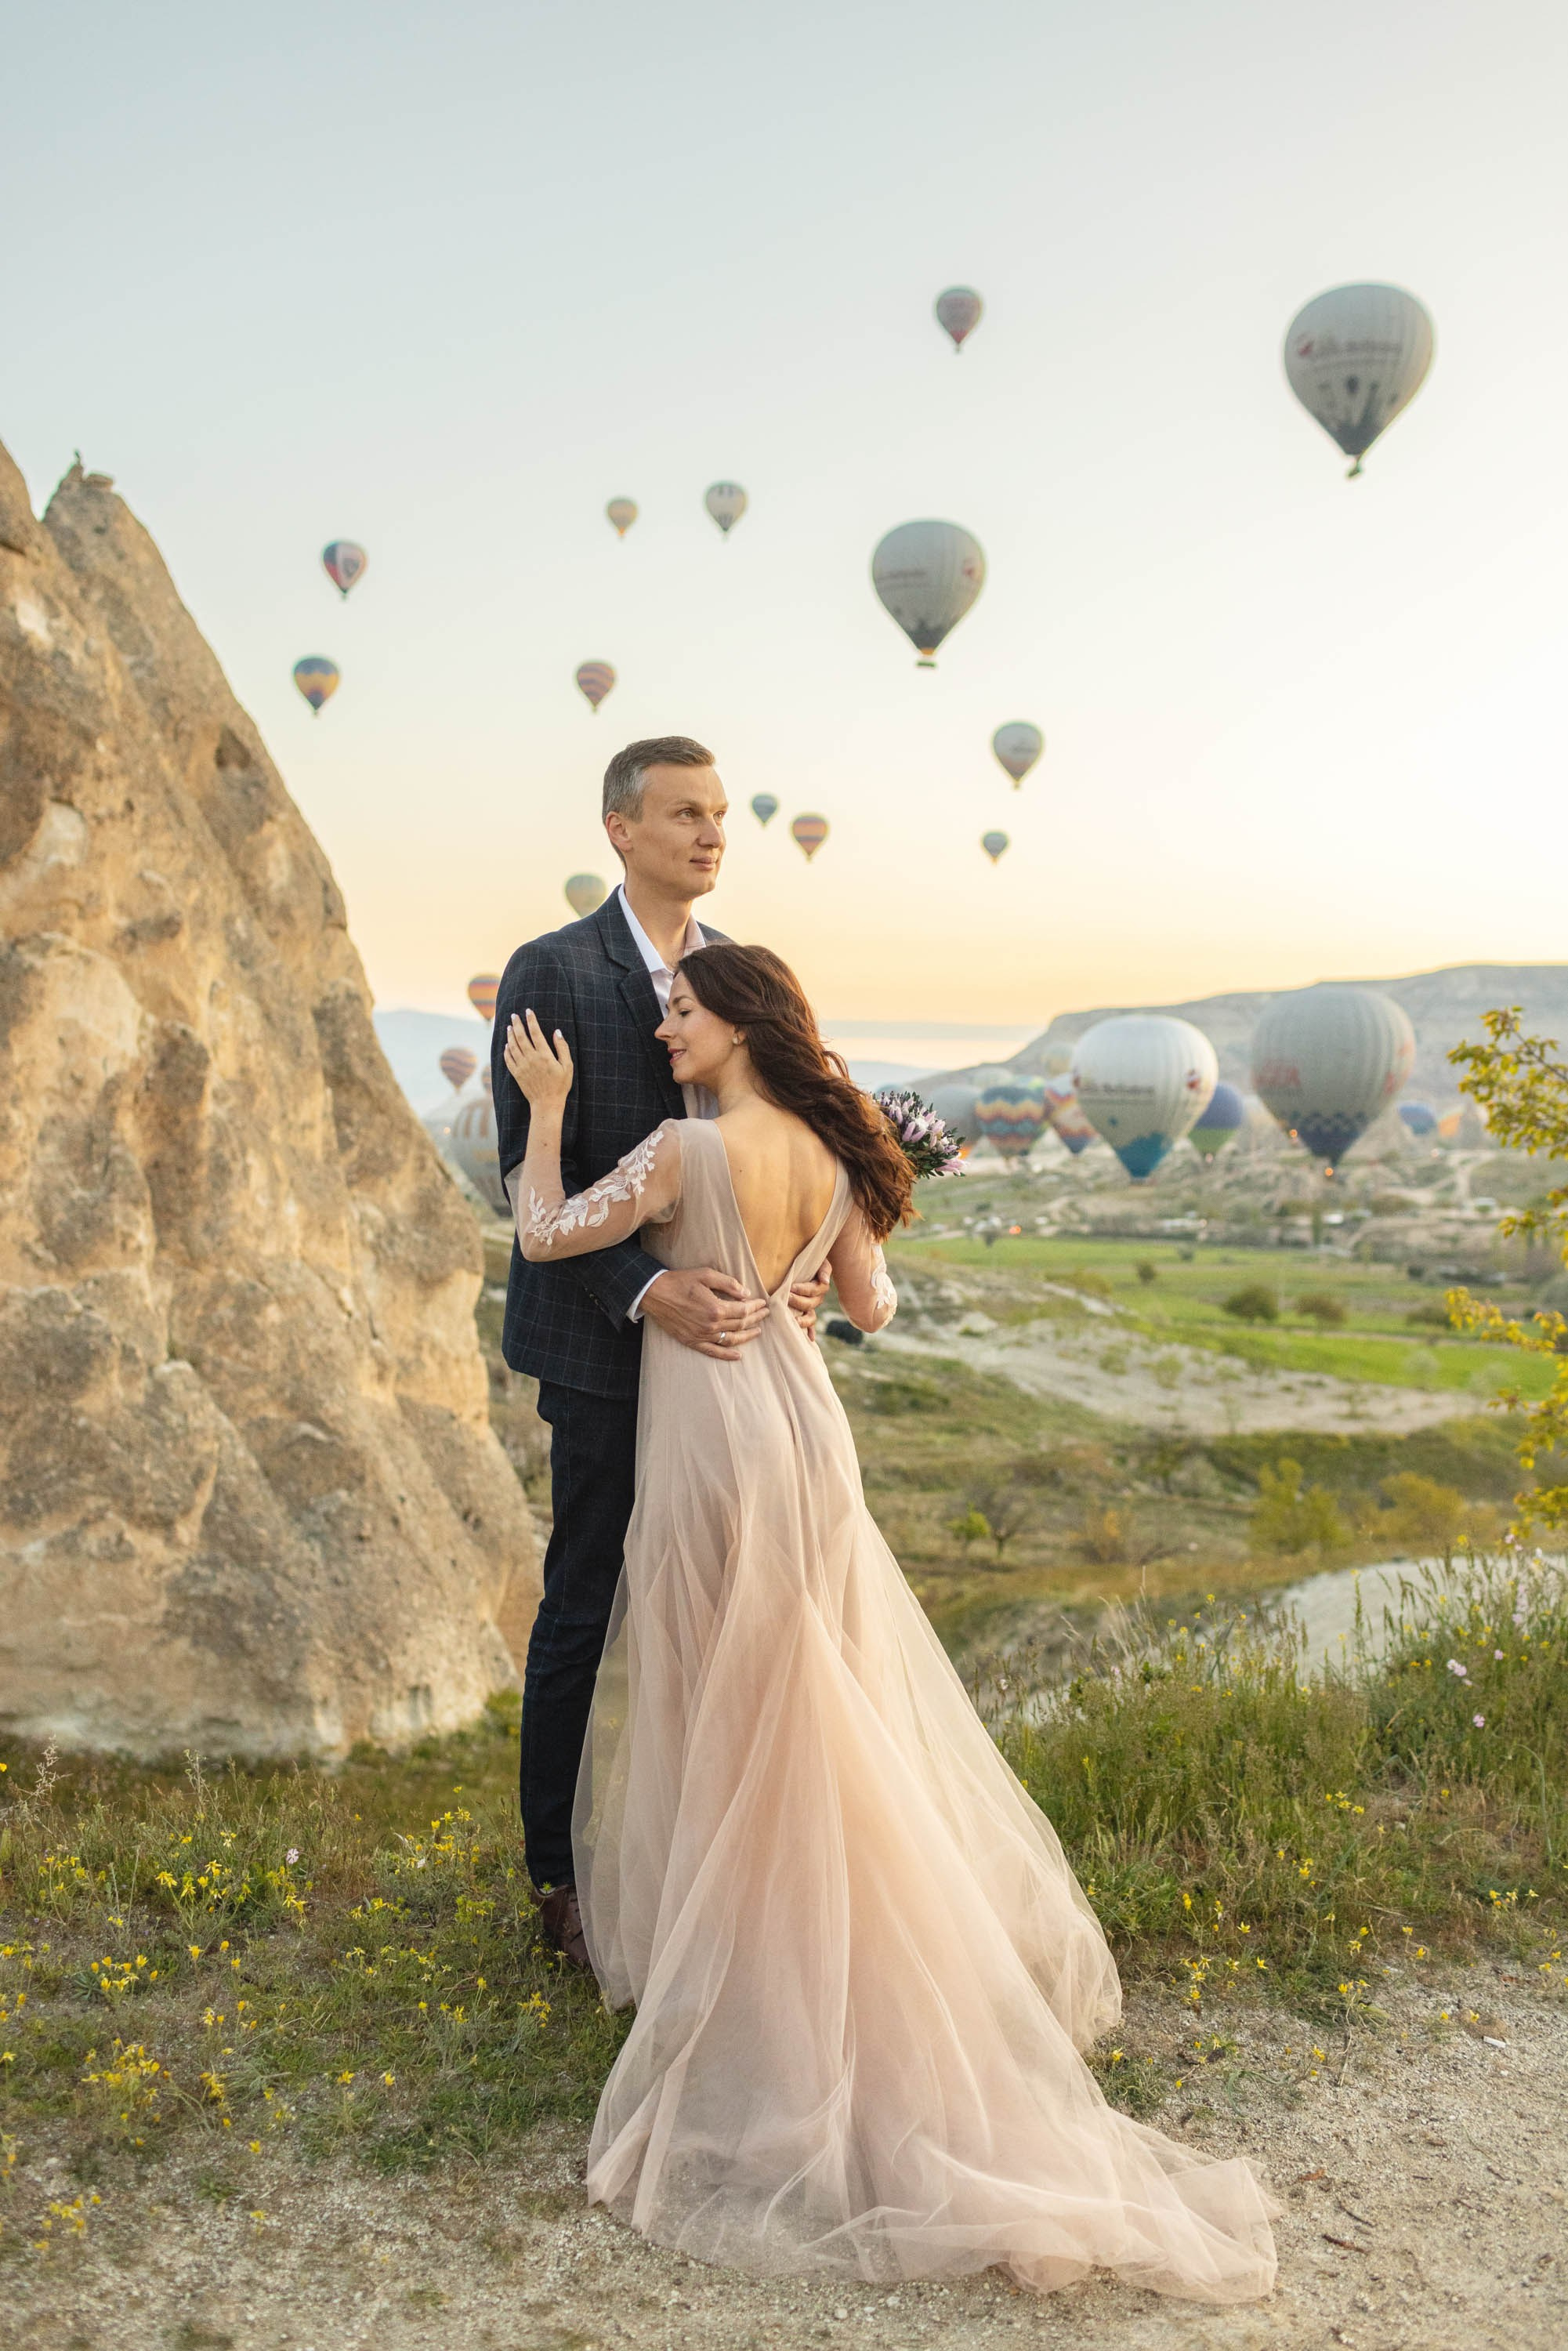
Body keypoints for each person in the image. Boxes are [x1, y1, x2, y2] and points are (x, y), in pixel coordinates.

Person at [498, 945, 1280, 2304]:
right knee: (817, 1703)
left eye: (685, 1010)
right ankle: (830, 1973)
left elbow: (544, 1232)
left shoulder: (684, 1151)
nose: (666, 1026)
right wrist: (803, 1281)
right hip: (809, 1440)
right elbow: (874, 1305)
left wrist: (551, 1113)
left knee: (725, 1703)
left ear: (740, 1022)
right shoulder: (833, 1155)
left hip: (713, 1446)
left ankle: (750, 1996)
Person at [491, 738, 826, 1967]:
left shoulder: (738, 974)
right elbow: (526, 1186)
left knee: (735, 1614)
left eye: (721, 815)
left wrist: (799, 1287)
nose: (710, 834)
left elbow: (789, 1131)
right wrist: (648, 1294)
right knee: (585, 1603)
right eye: (684, 814)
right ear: (618, 829)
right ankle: (559, 1881)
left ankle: (718, 1861)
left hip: (736, 1370)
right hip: (600, 1349)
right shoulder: (550, 970)